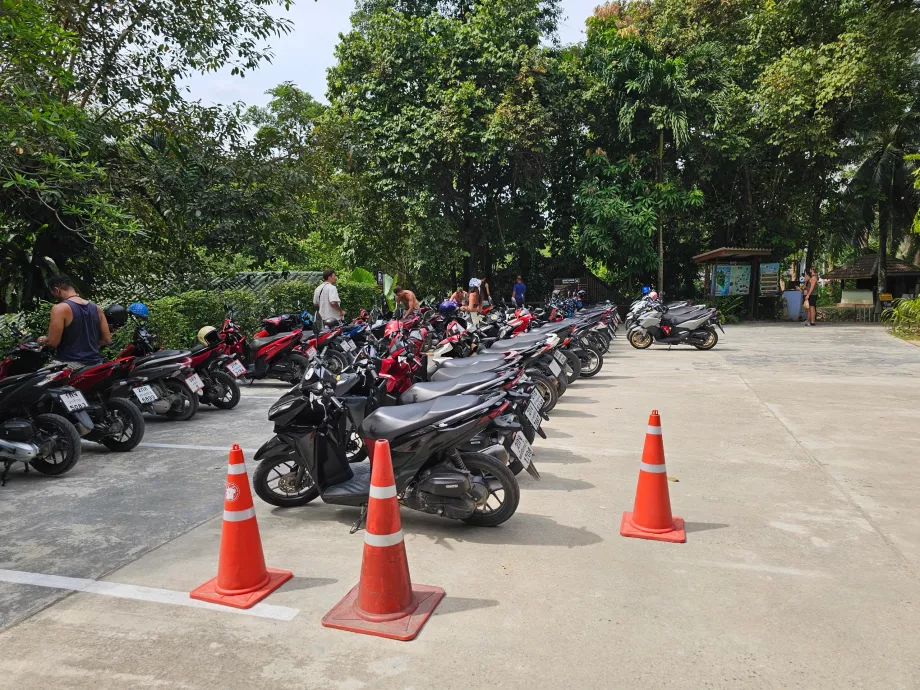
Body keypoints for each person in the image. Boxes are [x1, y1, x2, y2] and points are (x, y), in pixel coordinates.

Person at [37, 274, 111, 367]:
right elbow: (106, 339)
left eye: (53, 293)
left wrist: (43, 340)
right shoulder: (96, 308)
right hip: (95, 364)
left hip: (69, 365)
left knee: (37, 376)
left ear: (57, 290)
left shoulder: (59, 309)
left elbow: (53, 342)